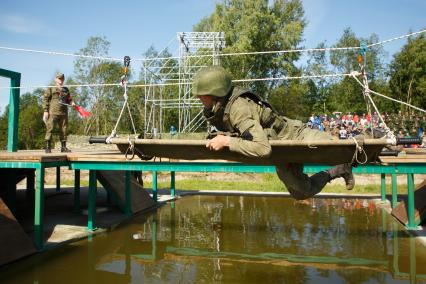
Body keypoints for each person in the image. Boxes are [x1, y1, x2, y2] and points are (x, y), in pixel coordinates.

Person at [192, 66, 355, 200]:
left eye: (201, 95)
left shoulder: (238, 108)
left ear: (215, 93)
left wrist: (227, 142)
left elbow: (262, 148)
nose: (198, 98)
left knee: (336, 147)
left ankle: (348, 160)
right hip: (280, 151)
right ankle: (338, 170)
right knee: (302, 193)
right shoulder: (219, 109)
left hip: (295, 136)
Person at [42, 72, 74, 153]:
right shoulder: (51, 88)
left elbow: (69, 99)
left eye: (62, 79)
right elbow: (45, 99)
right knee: (50, 128)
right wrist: (45, 110)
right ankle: (48, 147)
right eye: (59, 78)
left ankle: (63, 147)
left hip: (63, 113)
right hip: (53, 112)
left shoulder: (66, 89)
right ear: (55, 79)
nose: (61, 80)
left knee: (64, 130)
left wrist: (72, 103)